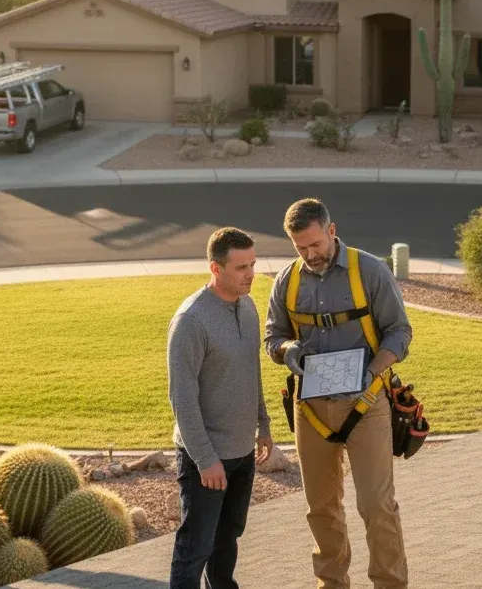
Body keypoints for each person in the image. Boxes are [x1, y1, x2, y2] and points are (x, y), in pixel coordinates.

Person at [264, 198, 412, 589]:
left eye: (315, 244)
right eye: (300, 247)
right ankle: (331, 584)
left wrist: (373, 370)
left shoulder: (370, 271)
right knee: (321, 508)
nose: (309, 254)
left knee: (376, 506)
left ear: (332, 231)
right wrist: (286, 350)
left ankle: (390, 584)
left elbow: (400, 332)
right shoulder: (287, 280)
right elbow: (272, 337)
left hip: (367, 404)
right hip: (310, 409)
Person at [167, 226, 274, 589]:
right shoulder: (191, 321)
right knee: (194, 547)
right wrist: (205, 458)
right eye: (241, 267)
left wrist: (263, 425)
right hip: (207, 457)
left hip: (242, 452)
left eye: (253, 264)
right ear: (216, 268)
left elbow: (251, 370)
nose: (250, 274)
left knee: (227, 540)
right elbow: (182, 397)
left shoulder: (248, 307)